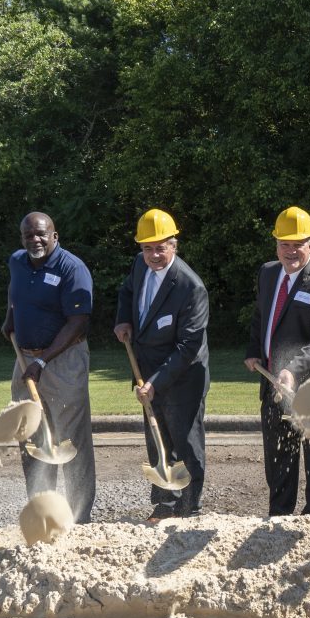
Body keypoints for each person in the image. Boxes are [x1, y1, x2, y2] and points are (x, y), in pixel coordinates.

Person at [244, 206, 310, 516]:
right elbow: (261, 316)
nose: (290, 251)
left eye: (297, 244)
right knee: (279, 457)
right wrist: (254, 350)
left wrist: (291, 368)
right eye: (284, 243)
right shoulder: (268, 272)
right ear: (276, 244)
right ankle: (280, 516)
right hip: (273, 385)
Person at [114, 209, 209, 521]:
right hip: (146, 369)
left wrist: (155, 382)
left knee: (186, 443)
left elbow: (188, 346)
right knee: (157, 441)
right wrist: (124, 319)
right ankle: (164, 506)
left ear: (174, 244)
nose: (153, 255)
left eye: (160, 247)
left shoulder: (190, 287)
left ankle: (190, 508)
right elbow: (127, 290)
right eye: (147, 248)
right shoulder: (140, 265)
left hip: (183, 376)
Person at [2, 212, 95, 523]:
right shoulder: (17, 261)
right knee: (30, 433)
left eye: (41, 234)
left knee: (70, 439)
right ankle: (43, 510)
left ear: (55, 235)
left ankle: (79, 517)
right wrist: (10, 319)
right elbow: (17, 296)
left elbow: (78, 322)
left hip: (63, 361)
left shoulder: (72, 268)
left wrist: (42, 361)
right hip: (25, 359)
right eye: (28, 235)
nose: (35, 240)